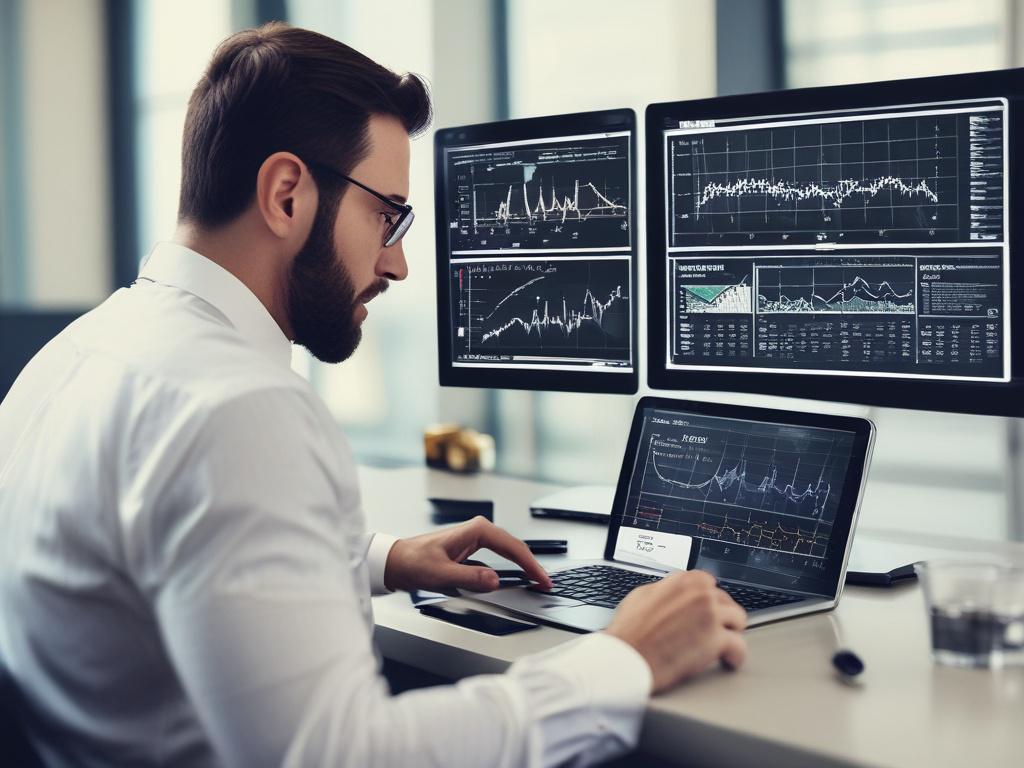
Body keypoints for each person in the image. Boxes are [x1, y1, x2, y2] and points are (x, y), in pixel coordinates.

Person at [0, 23, 747, 767]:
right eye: (386, 216)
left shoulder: (78, 354)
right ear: (287, 195)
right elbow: (344, 756)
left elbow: (143, 561)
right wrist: (626, 658)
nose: (397, 265)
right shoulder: (237, 411)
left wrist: (377, 559)